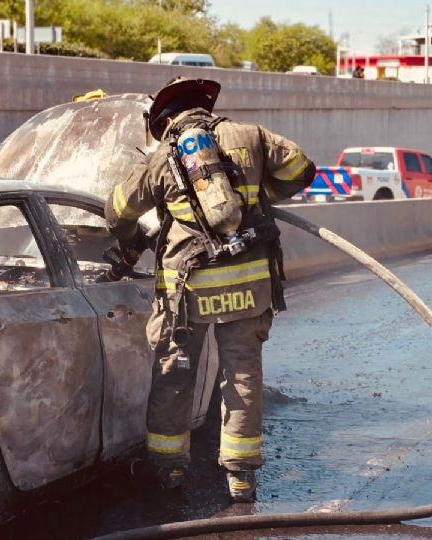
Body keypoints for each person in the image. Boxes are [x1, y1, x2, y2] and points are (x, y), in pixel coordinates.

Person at [105, 77, 316, 502]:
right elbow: (301, 170)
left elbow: (119, 210)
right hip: (248, 288)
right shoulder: (251, 136)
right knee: (241, 378)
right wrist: (256, 199)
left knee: (174, 377)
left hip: (187, 294)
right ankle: (241, 478)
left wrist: (130, 238)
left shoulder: (162, 157)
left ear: (165, 119)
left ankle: (169, 471)